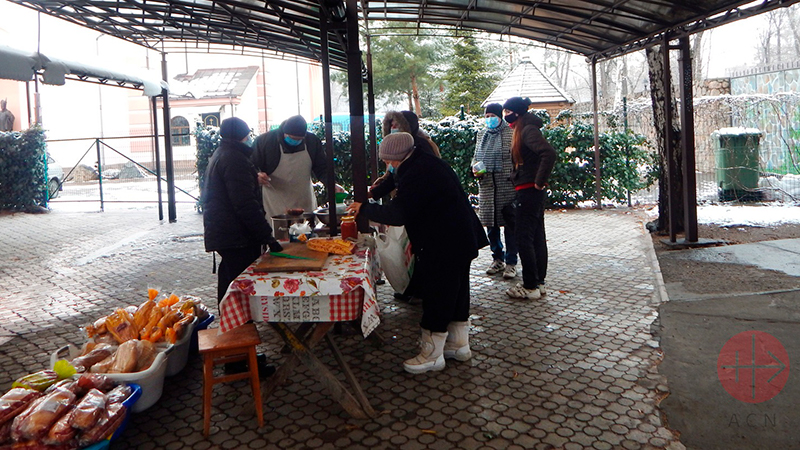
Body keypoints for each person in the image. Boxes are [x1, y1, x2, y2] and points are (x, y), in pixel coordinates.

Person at [346, 133, 488, 374]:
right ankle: (458, 344)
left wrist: (365, 209)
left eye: (389, 161)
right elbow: (394, 180)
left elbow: (399, 213)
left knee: (438, 294)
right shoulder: (420, 160)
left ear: (398, 156)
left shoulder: (418, 172)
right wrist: (373, 194)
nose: (388, 166)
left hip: (444, 240)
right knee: (456, 291)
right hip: (460, 237)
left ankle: (432, 355)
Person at [202, 117, 282, 376]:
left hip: (227, 236)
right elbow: (244, 204)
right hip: (235, 237)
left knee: (231, 294)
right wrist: (267, 237)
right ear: (244, 135)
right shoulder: (234, 159)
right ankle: (238, 358)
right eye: (248, 135)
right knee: (236, 297)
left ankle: (238, 354)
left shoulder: (222, 153)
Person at [501, 97, 557, 300]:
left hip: (530, 192)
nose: (505, 115)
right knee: (536, 237)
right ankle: (538, 283)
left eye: (508, 111)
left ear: (517, 112)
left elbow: (548, 153)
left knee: (524, 238)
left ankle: (530, 285)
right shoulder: (523, 129)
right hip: (530, 191)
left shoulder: (527, 131)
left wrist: (538, 181)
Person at [250, 115, 327, 221]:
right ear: (284, 133)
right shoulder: (264, 142)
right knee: (279, 233)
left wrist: (331, 184)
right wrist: (257, 175)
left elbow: (322, 168)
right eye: (292, 138)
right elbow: (250, 167)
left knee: (307, 233)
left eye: (299, 139)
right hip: (275, 204)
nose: (295, 142)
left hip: (305, 201)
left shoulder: (312, 141)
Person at [472, 103, 518, 280]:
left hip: (506, 186)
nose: (489, 118)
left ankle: (511, 261)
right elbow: (476, 156)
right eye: (487, 115)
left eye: (493, 115)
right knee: (491, 226)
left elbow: (517, 158)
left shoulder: (511, 133)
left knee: (510, 226)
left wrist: (513, 175)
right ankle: (497, 258)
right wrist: (475, 169)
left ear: (500, 116)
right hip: (487, 186)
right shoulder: (481, 134)